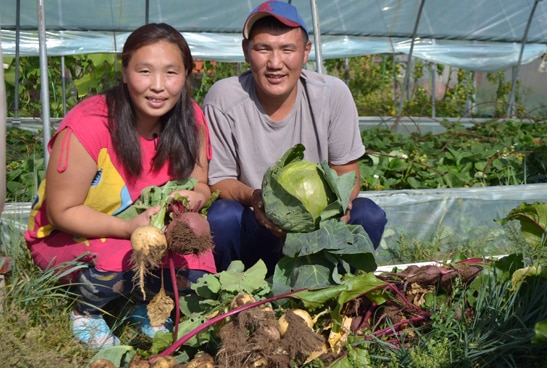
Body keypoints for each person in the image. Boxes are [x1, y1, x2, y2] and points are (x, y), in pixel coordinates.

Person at [24, 23, 216, 349]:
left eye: (171, 73)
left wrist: (195, 197)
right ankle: (87, 314)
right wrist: (127, 228)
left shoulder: (191, 118)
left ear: (186, 75)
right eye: (144, 71)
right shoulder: (90, 125)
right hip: (68, 236)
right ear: (125, 72)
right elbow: (60, 212)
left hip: (143, 232)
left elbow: (202, 184)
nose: (158, 86)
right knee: (118, 260)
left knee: (198, 250)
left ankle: (145, 308)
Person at [203, 1, 387, 274]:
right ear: (246, 51)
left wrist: (341, 206)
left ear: (305, 52)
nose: (275, 63)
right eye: (262, 48)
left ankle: (341, 291)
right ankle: (231, 294)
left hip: (317, 233)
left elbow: (347, 171)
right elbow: (219, 181)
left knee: (368, 215)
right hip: (256, 225)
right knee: (222, 217)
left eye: (287, 49)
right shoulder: (224, 98)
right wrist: (257, 198)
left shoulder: (332, 94)